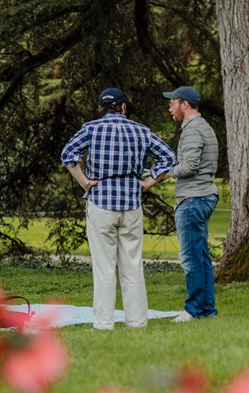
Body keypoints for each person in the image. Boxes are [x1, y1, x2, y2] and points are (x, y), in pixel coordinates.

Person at [61, 87, 176, 330]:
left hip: (101, 201)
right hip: (131, 203)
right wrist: (149, 182)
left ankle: (103, 324)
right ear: (123, 106)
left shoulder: (91, 129)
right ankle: (137, 322)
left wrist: (84, 182)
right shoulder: (140, 131)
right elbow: (168, 158)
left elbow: (68, 154)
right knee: (132, 266)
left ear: (101, 108)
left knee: (104, 268)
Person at [158, 85, 220, 323]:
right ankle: (207, 309)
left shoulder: (193, 130)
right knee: (201, 256)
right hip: (202, 197)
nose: (170, 107)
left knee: (190, 258)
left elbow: (190, 166)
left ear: (185, 104)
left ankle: (193, 309)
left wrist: (166, 173)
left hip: (192, 199)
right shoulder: (203, 127)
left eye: (172, 103)